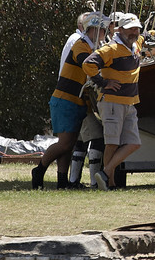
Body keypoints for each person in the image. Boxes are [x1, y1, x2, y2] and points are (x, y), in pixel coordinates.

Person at [32, 12, 108, 190]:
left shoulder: (91, 46)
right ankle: (39, 170)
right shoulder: (81, 45)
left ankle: (62, 181)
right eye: (99, 29)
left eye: (103, 29)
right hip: (66, 100)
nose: (102, 32)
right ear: (90, 30)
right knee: (65, 143)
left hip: (76, 101)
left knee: (69, 144)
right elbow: (86, 64)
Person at [82, 12, 144, 190]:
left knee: (134, 143)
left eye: (136, 29)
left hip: (129, 101)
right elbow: (87, 64)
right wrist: (103, 82)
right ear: (120, 30)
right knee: (112, 143)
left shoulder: (136, 43)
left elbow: (152, 34)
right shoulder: (111, 49)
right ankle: (109, 183)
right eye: (130, 29)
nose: (134, 32)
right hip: (112, 101)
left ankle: (105, 173)